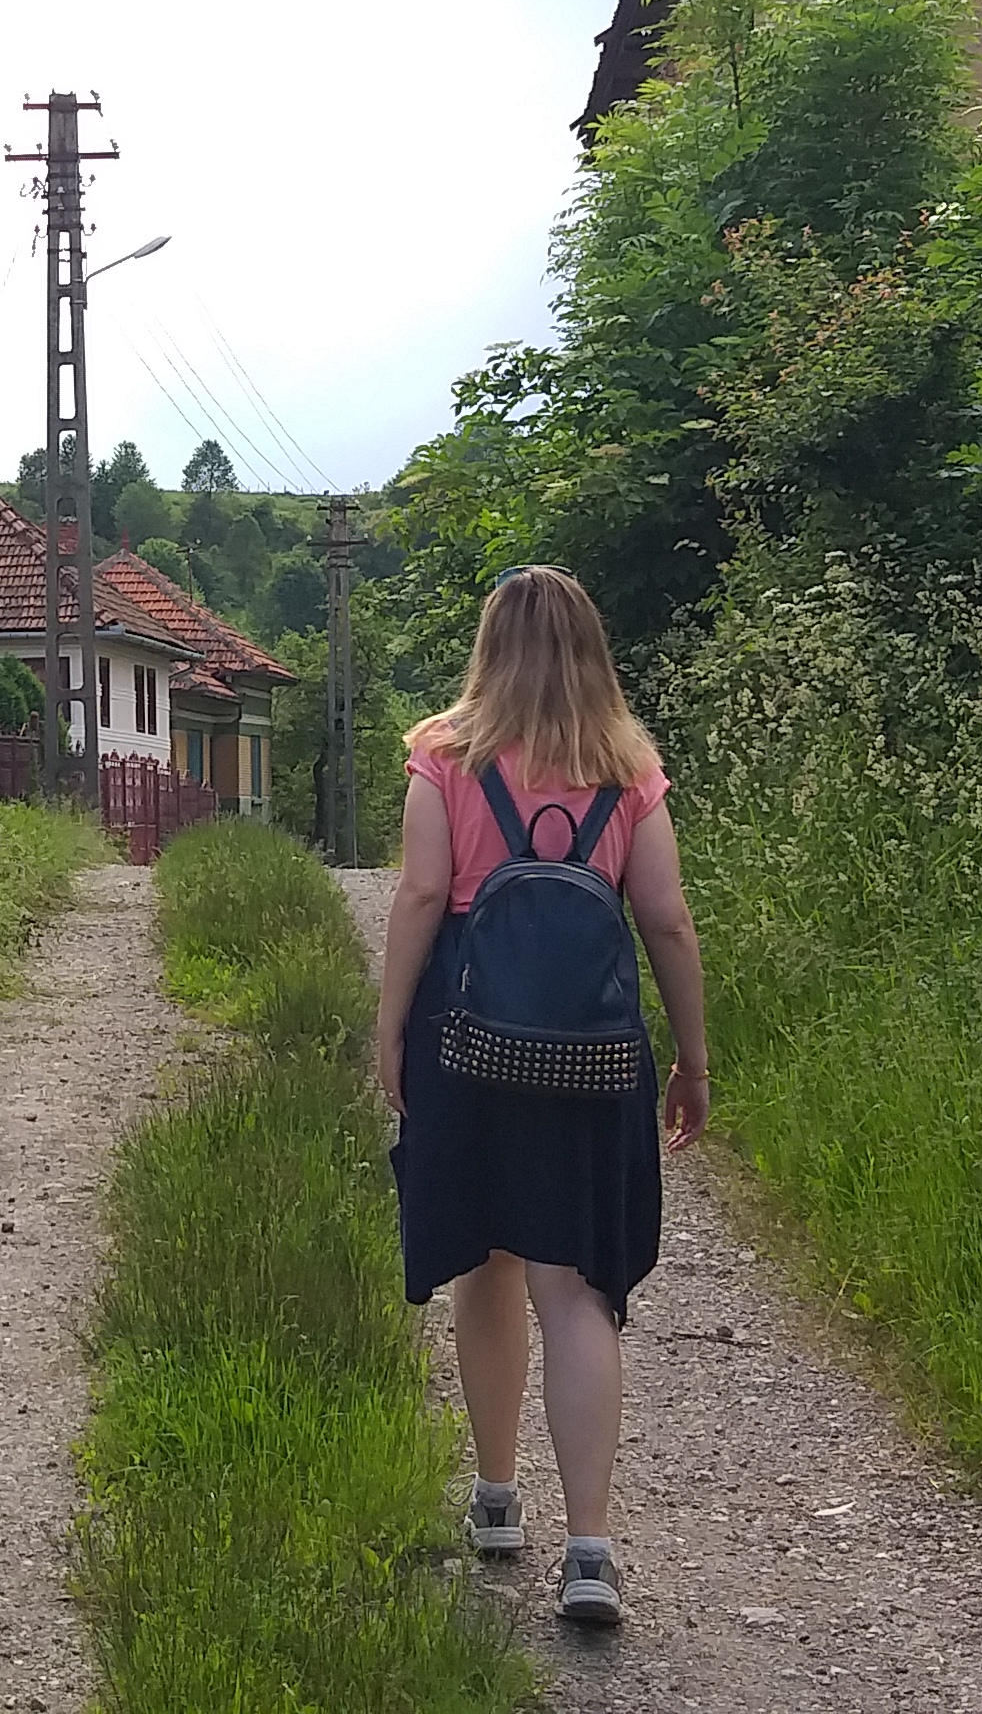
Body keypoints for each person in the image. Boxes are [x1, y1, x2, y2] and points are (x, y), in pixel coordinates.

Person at [368, 564, 711, 1627]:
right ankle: (592, 1548)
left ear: (489, 648)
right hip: (590, 1056)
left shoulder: (444, 756)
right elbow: (666, 920)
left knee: (486, 1262)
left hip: (465, 1038)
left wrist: (389, 1028)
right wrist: (694, 1060)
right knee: (576, 1292)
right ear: (591, 650)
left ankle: (496, 1497)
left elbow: (423, 891)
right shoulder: (629, 769)